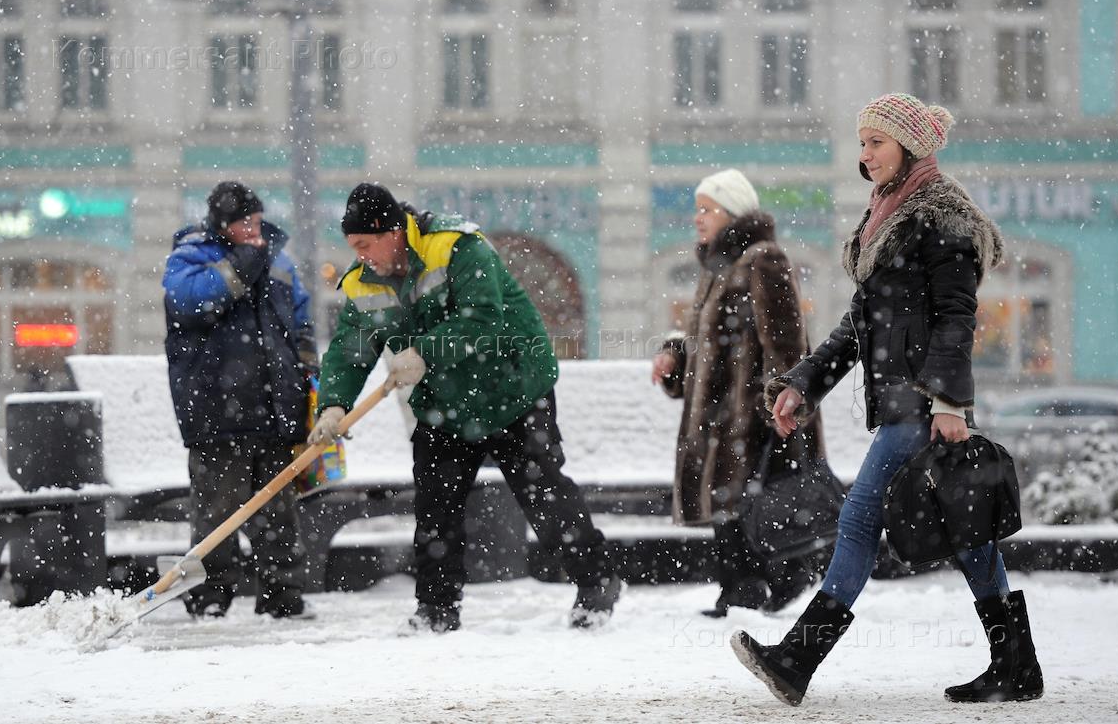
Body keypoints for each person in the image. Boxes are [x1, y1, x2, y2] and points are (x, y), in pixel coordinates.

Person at [731, 94, 1043, 705]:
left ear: (908, 146)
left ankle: (796, 660)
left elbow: (956, 316)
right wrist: (802, 383)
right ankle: (1016, 664)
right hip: (906, 403)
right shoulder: (889, 214)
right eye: (863, 142)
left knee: (858, 520)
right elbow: (860, 324)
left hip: (921, 406)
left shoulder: (943, 217)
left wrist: (948, 403)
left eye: (876, 142)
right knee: (969, 533)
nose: (866, 154)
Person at [310, 183, 620, 633]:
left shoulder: (456, 246)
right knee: (436, 507)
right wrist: (334, 406)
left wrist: (423, 352)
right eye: (353, 246)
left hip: (511, 386)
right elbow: (349, 350)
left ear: (393, 232)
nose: (360, 256)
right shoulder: (363, 282)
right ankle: (436, 609)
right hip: (443, 403)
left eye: (365, 244)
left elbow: (482, 318)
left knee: (543, 494)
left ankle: (596, 581)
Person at [652, 168, 825, 617]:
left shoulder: (763, 260)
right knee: (728, 503)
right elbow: (705, 344)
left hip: (751, 415)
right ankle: (744, 586)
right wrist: (674, 356)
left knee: (744, 501)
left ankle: (765, 580)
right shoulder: (718, 268)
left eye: (707, 209)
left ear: (733, 213)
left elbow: (786, 343)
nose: (698, 218)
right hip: (720, 415)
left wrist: (780, 402)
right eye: (697, 209)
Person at [163, 181, 317, 619]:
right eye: (243, 222)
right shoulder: (190, 258)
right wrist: (243, 264)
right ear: (221, 224)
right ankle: (210, 597)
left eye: (256, 221)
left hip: (274, 410)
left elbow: (300, 323)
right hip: (217, 413)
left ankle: (283, 594)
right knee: (217, 511)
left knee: (279, 510)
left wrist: (308, 374)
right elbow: (192, 303)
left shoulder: (279, 260)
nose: (253, 230)